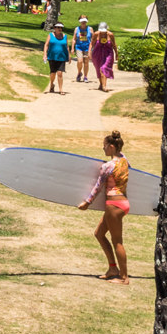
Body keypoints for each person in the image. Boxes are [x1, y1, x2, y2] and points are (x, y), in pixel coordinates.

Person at [79, 130, 132, 282]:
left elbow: (98, 187)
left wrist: (87, 203)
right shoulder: (124, 159)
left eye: (105, 146)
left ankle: (124, 277)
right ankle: (112, 268)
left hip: (114, 205)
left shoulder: (108, 166)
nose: (103, 149)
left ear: (111, 147)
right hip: (123, 203)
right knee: (99, 234)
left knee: (117, 241)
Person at [90, 22, 117, 93]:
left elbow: (114, 45)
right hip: (97, 53)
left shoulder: (110, 35)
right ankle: (101, 84)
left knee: (104, 68)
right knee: (98, 69)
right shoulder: (96, 34)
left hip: (108, 53)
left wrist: (117, 54)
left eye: (104, 31)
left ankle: (104, 86)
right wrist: (89, 53)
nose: (103, 33)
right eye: (101, 31)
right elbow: (92, 44)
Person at [45, 23, 71, 93]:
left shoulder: (64, 36)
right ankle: (51, 84)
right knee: (53, 73)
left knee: (60, 73)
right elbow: (46, 45)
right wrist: (45, 54)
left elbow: (67, 47)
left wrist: (69, 56)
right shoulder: (50, 35)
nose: (60, 29)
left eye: (61, 27)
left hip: (62, 57)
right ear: (55, 28)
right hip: (52, 56)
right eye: (58, 27)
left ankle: (60, 89)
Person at [72, 17, 94, 82]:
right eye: (82, 21)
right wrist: (72, 48)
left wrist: (93, 47)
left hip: (87, 47)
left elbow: (94, 38)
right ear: (80, 22)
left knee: (86, 62)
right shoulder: (77, 29)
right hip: (79, 47)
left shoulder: (90, 29)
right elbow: (74, 39)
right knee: (80, 61)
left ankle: (85, 76)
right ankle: (79, 73)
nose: (83, 23)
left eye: (84, 21)